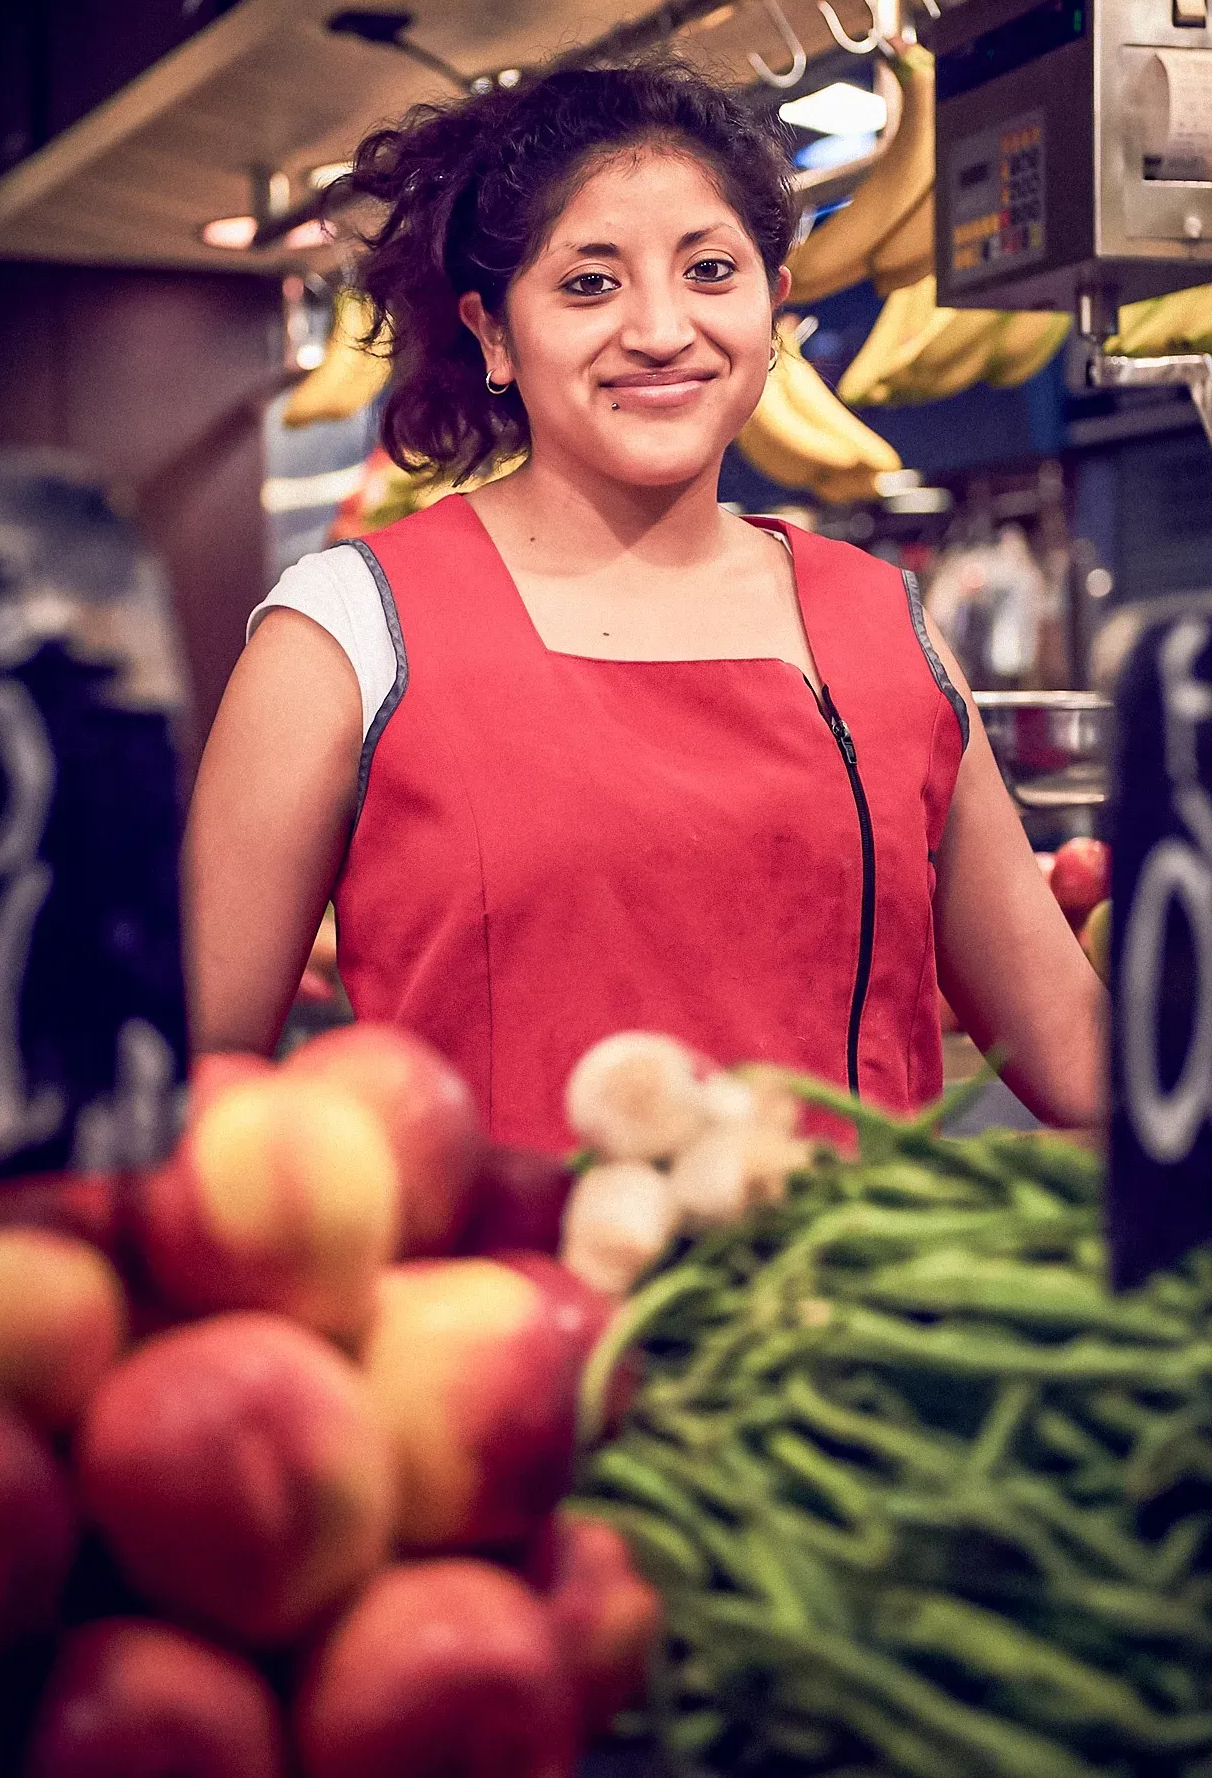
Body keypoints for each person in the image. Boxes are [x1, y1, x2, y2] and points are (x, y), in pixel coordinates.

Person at [185, 61, 1105, 1147]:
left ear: (775, 303)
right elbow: (188, 1080)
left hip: (852, 1301)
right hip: (504, 1301)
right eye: (590, 283)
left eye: (711, 270)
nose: (664, 329)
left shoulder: (883, 621)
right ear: (491, 332)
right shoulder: (342, 635)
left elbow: (1079, 1054)